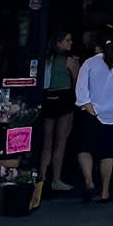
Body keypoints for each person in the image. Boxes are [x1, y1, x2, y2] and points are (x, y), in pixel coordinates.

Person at [75, 35, 113, 203]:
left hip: (91, 111)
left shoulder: (89, 63)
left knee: (84, 148)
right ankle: (105, 192)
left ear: (97, 47)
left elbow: (81, 89)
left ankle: (89, 183)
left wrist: (88, 105)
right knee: (108, 152)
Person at [40, 30, 80, 192]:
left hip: (48, 98)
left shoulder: (46, 59)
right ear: (58, 43)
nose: (70, 43)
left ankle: (42, 176)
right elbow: (77, 82)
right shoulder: (70, 61)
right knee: (61, 141)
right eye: (67, 40)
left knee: (47, 141)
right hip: (64, 98)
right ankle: (56, 179)